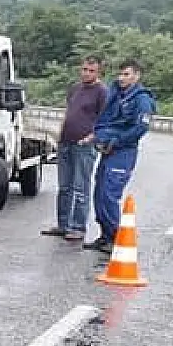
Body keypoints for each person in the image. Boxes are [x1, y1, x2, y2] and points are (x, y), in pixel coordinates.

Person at [90, 58, 156, 253]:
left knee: (110, 194)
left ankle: (116, 238)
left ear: (137, 76)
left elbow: (140, 128)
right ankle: (105, 235)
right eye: (120, 74)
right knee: (99, 192)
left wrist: (116, 141)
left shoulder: (142, 99)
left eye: (126, 74)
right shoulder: (116, 94)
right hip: (108, 150)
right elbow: (105, 119)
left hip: (123, 151)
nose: (121, 78)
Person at [41, 55, 108, 243]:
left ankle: (78, 227)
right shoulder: (75, 89)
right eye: (84, 69)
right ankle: (63, 224)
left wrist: (91, 138)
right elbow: (68, 112)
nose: (87, 73)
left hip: (84, 145)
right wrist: (59, 135)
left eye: (91, 71)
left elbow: (104, 120)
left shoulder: (102, 92)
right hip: (66, 142)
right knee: (64, 187)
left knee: (80, 187)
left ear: (99, 72)